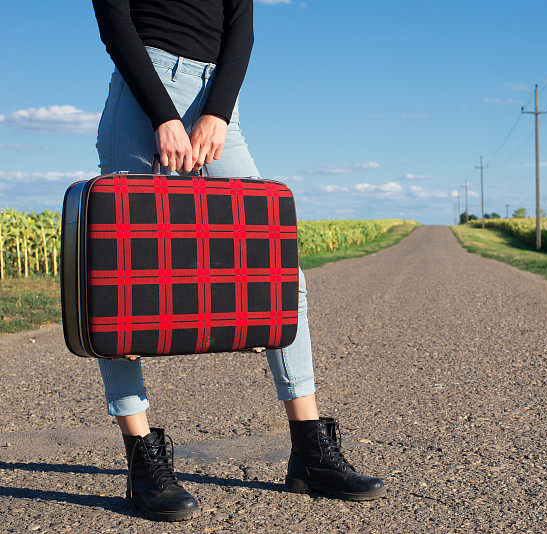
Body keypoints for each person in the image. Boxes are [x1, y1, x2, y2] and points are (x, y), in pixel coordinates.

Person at [91, 0, 386, 522]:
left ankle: (310, 452)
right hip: (144, 94)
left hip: (214, 102)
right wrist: (162, 115)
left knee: (277, 274)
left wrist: (217, 111)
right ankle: (144, 466)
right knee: (123, 285)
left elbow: (240, 29)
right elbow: (115, 23)